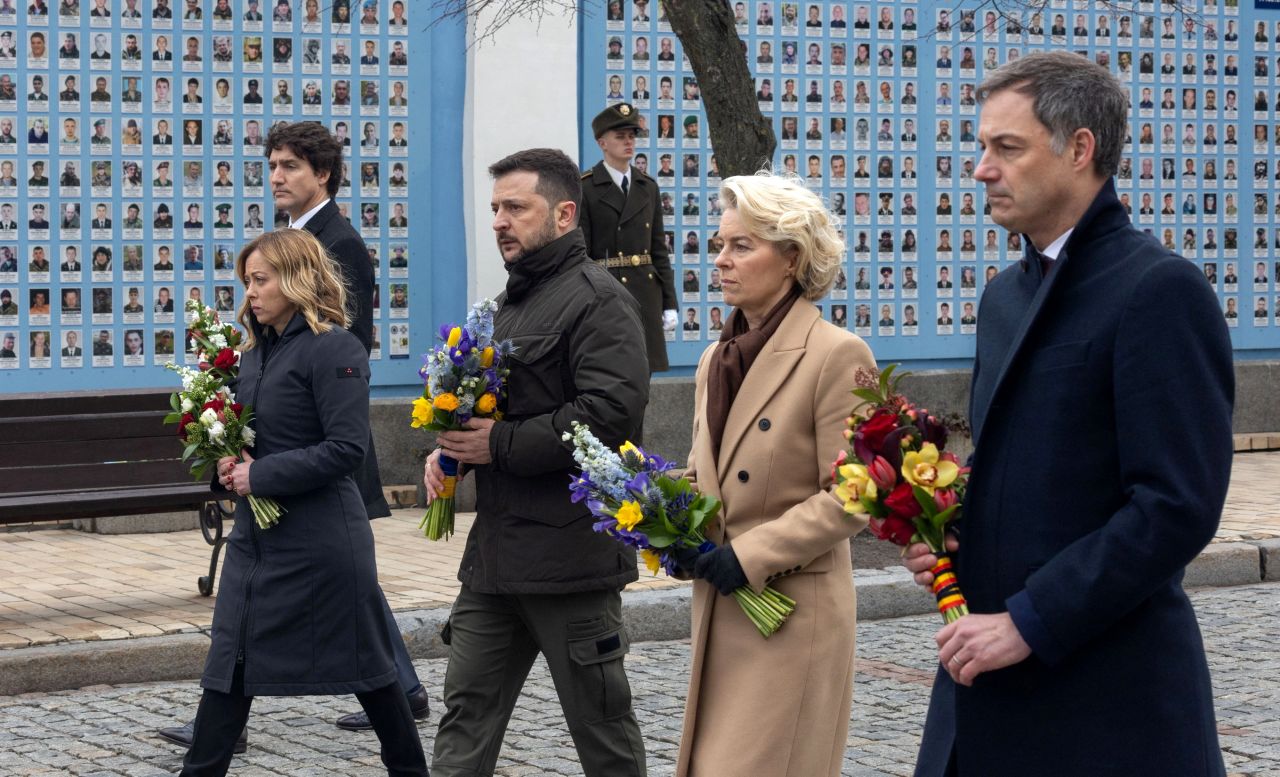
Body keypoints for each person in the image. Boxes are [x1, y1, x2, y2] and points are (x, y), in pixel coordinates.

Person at [903, 51, 1233, 777]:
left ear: (1080, 149)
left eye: (1006, 148)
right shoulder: (1002, 297)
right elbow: (1019, 471)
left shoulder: (1159, 289)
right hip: (980, 702)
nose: (982, 168)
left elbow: (1176, 505)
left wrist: (1031, 618)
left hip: (1103, 710)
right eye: (981, 146)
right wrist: (949, 532)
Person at [157, 122, 424, 750]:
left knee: (349, 592)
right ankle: (229, 727)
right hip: (274, 473)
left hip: (318, 443)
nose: (277, 176)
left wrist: (271, 455)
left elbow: (341, 349)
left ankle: (396, 688)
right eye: (271, 165)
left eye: (290, 166)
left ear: (322, 173)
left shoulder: (339, 244)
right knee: (333, 600)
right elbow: (273, 356)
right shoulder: (279, 269)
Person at [423, 148, 648, 777]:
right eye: (495, 208)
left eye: (516, 207)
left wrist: (498, 445)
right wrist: (452, 453)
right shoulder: (503, 307)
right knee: (464, 714)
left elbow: (609, 417)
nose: (499, 220)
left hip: (570, 563)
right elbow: (491, 409)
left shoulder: (599, 301)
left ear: (564, 214)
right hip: (494, 564)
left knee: (602, 730)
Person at [673, 172, 874, 776]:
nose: (722, 261)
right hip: (720, 605)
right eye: (718, 245)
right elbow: (703, 470)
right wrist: (662, 515)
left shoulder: (838, 353)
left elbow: (854, 493)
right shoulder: (716, 356)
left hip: (788, 612)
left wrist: (750, 554)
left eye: (741, 246)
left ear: (791, 257)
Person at [579, 103, 678, 373]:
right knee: (609, 373)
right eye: (620, 137)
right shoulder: (586, 186)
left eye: (632, 136)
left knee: (642, 377)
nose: (628, 142)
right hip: (606, 294)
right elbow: (581, 254)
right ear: (602, 142)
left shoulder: (647, 186)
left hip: (645, 295)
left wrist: (670, 303)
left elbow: (659, 249)